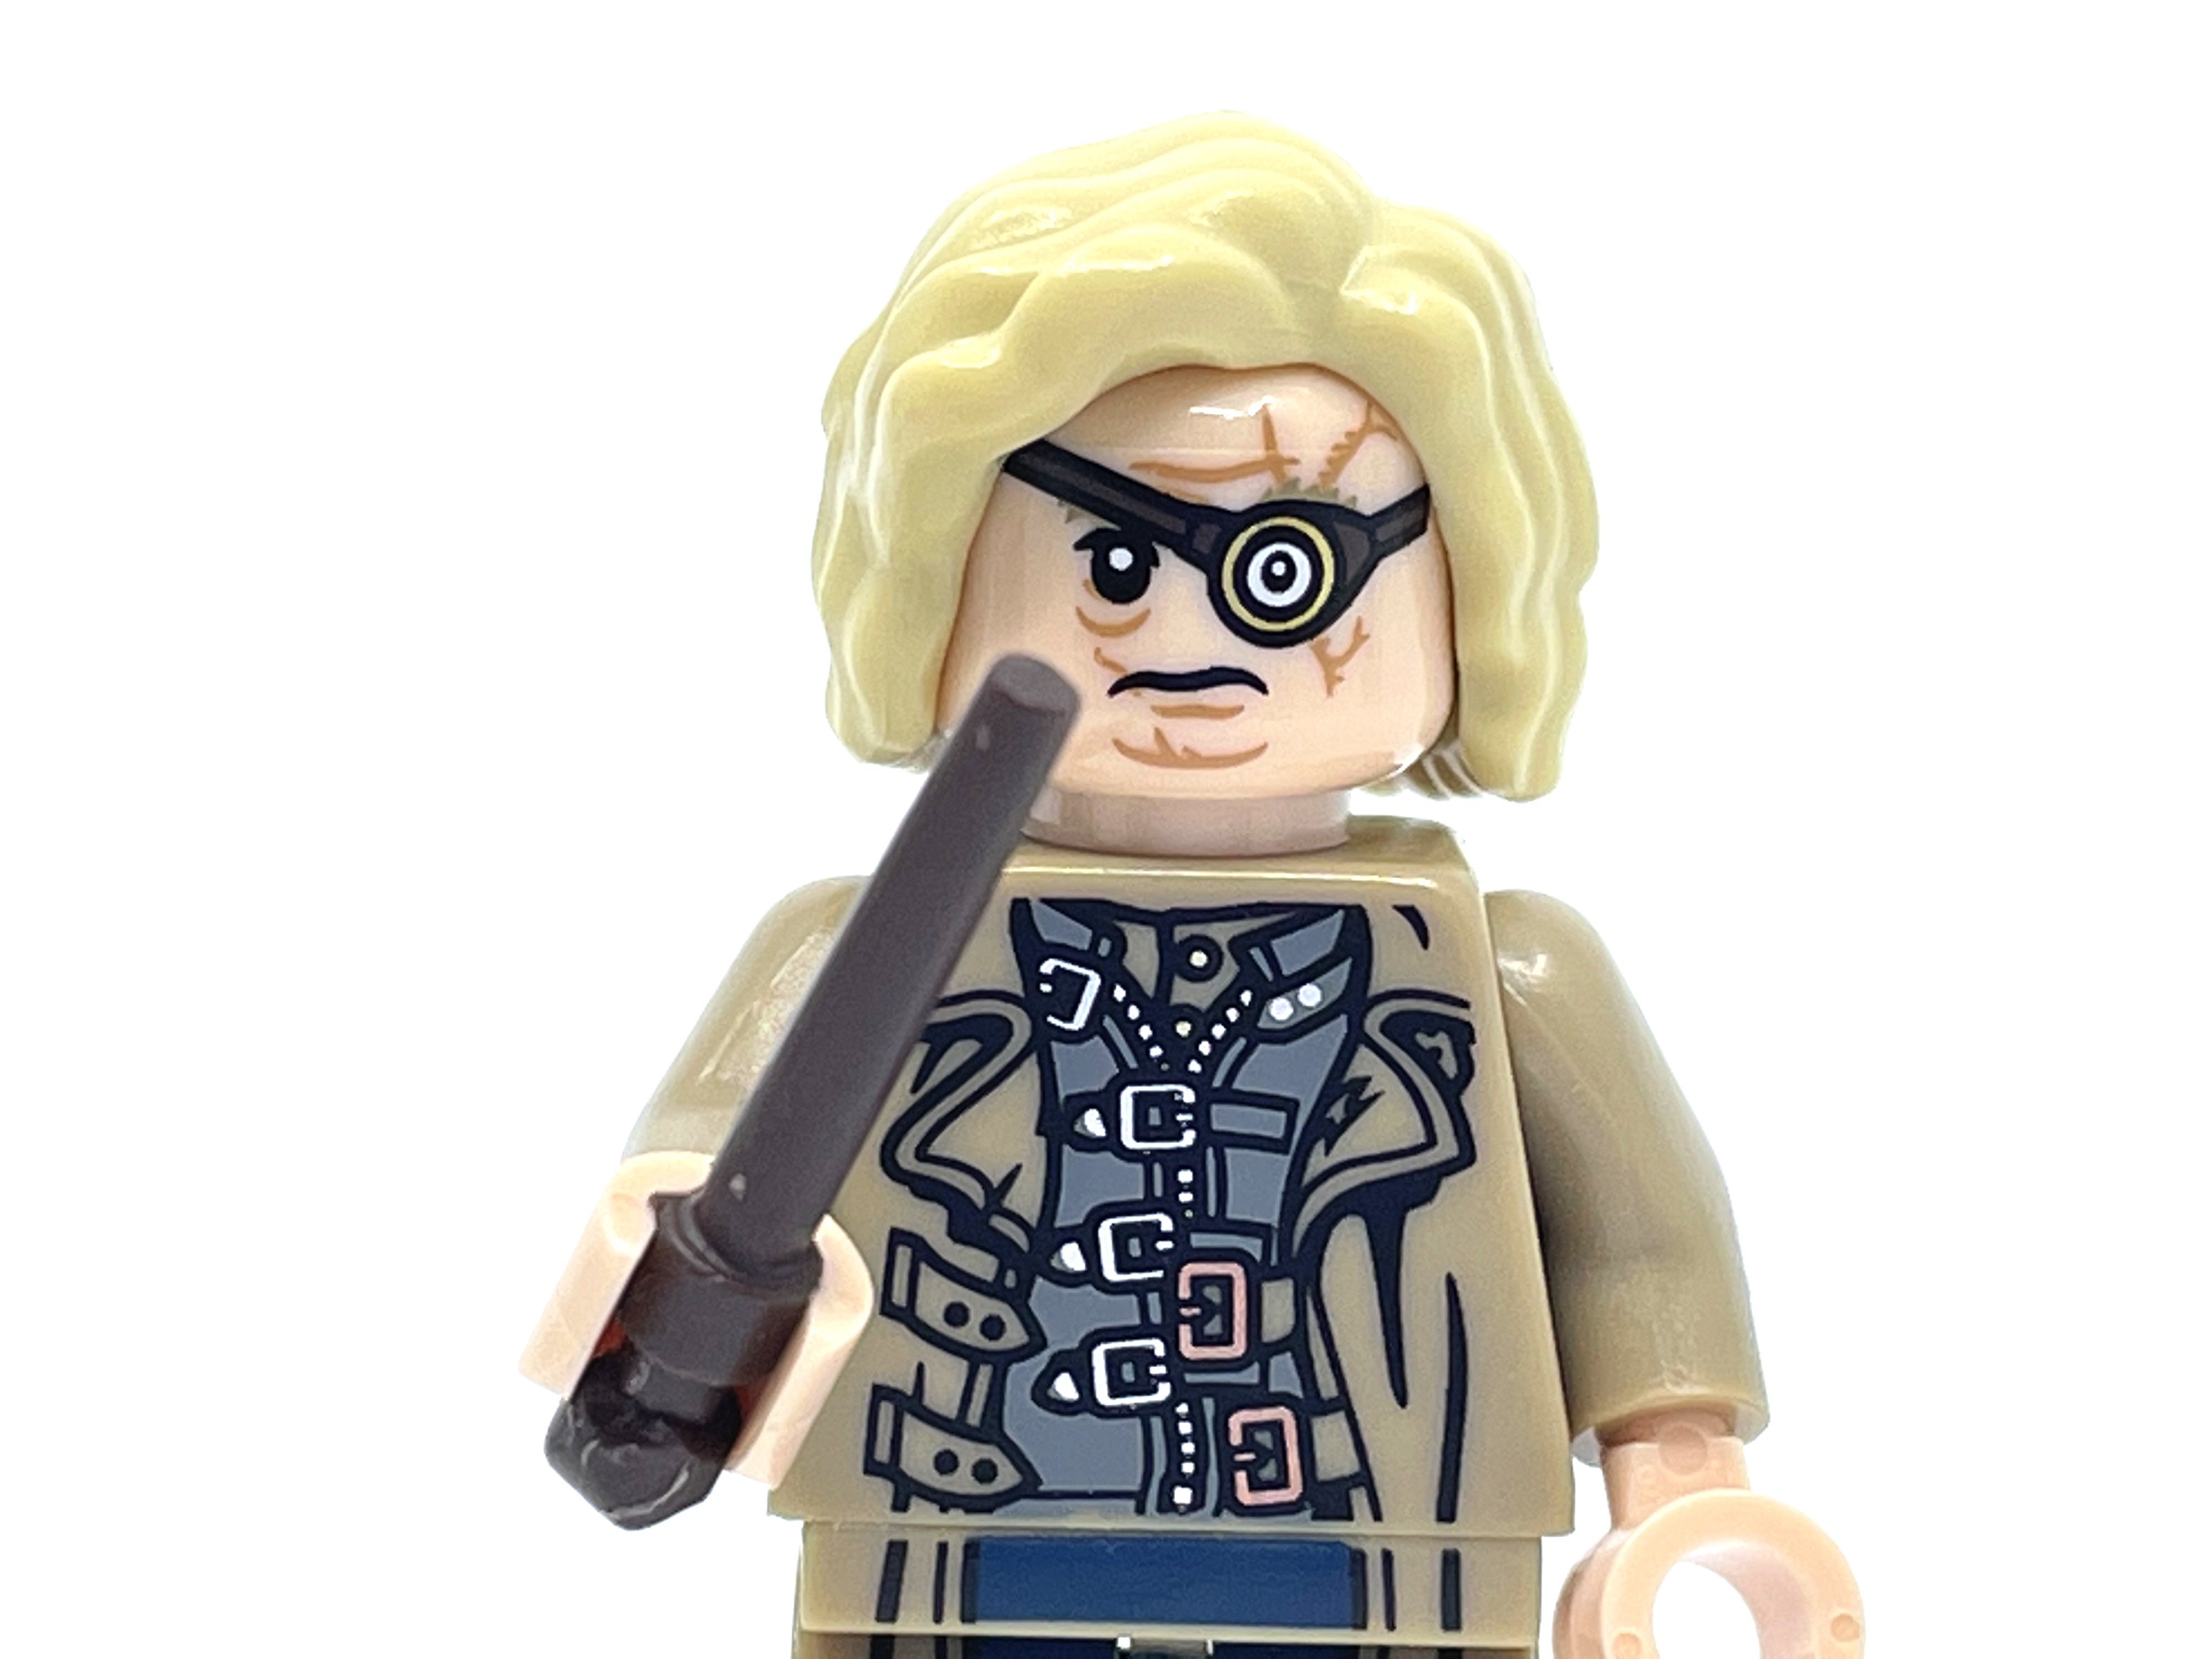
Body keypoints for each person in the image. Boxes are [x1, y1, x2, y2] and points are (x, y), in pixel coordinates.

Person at [524, 114, 1860, 1659]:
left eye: (1288, 565)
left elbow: (1638, 1243)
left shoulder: (1507, 970)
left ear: (1471, 582)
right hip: (957, 1530)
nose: (1186, 639)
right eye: (1110, 560)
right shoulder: (863, 949)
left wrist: (1678, 1474)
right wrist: (657, 1313)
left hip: (1378, 1547)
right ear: (937, 575)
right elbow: (695, 1174)